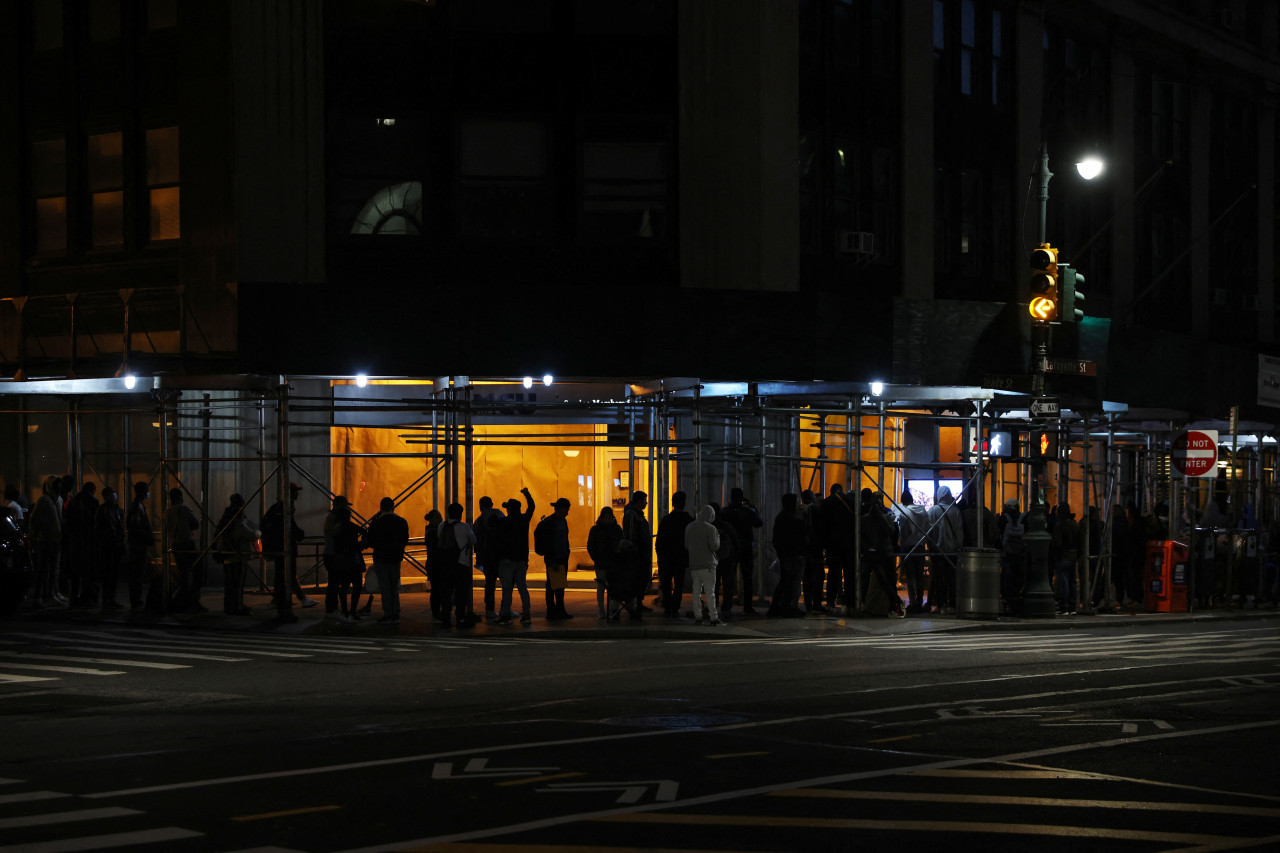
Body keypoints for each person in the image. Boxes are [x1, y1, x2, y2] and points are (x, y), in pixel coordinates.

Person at [262, 482, 316, 621]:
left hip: (280, 548)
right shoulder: (284, 508)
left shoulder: (279, 508)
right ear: (291, 493)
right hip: (285, 548)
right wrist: (298, 534)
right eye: (296, 491)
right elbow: (289, 526)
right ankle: (285, 607)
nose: (298, 494)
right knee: (286, 575)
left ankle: (285, 601)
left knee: (285, 575)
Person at [859, 489, 903, 617]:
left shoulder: (880, 516)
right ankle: (894, 603)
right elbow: (891, 532)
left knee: (879, 579)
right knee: (886, 580)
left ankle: (888, 604)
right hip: (882, 552)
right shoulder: (882, 516)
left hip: (876, 553)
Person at [365, 496, 409, 624]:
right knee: (394, 586)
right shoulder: (401, 522)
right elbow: (404, 539)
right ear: (393, 507)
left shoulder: (376, 523)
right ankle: (396, 613)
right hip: (395, 558)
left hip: (381, 558)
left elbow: (371, 541)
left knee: (385, 587)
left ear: (381, 508)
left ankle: (388, 614)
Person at [721, 488, 764, 616]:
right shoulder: (747, 511)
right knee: (747, 579)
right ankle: (748, 607)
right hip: (745, 548)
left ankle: (726, 607)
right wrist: (752, 506)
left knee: (729, 579)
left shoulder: (725, 512)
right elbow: (759, 522)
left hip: (731, 548)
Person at [215, 494, 258, 616]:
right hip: (237, 555)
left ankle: (229, 606)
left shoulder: (226, 517)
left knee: (230, 583)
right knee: (237, 583)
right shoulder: (238, 520)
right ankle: (236, 606)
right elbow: (251, 534)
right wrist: (257, 531)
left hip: (227, 555)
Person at [497, 488, 535, 625]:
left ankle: (505, 615)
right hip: (521, 560)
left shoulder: (505, 522)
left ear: (509, 509)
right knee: (522, 588)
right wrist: (526, 494)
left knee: (507, 589)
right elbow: (532, 506)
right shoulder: (524, 520)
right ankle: (527, 614)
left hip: (507, 560)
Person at [439, 502, 479, 628]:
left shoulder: (441, 525)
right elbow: (474, 540)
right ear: (460, 514)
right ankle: (460, 618)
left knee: (446, 592)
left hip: (445, 564)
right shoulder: (464, 526)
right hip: (461, 564)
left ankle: (446, 618)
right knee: (461, 593)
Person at [654, 491, 693, 618]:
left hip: (666, 557)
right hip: (681, 557)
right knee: (679, 583)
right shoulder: (688, 520)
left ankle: (667, 607)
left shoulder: (666, 520)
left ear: (672, 503)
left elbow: (659, 541)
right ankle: (675, 607)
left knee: (666, 584)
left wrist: (660, 555)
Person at [768, 492, 807, 617]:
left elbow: (776, 539)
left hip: (785, 554)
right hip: (793, 555)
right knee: (790, 582)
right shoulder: (794, 519)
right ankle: (787, 607)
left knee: (785, 581)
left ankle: (777, 607)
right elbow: (803, 535)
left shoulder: (781, 517)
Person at [164, 488, 203, 612]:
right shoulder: (184, 509)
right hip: (187, 543)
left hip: (175, 545)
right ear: (180, 497)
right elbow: (196, 524)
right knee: (197, 572)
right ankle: (193, 601)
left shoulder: (167, 512)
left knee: (183, 574)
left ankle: (182, 601)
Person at [28, 475, 64, 607]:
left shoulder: (58, 499)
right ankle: (40, 596)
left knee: (54, 569)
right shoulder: (44, 500)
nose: (60, 487)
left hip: (56, 540)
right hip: (45, 540)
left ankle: (52, 593)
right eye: (57, 484)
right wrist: (35, 536)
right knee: (43, 569)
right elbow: (34, 520)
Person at [685, 504, 724, 625]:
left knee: (696, 592)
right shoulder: (710, 528)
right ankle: (713, 617)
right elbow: (714, 546)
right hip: (708, 565)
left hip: (694, 564)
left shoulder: (689, 527)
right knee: (710, 592)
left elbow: (686, 545)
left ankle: (698, 617)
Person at [926, 485, 962, 614]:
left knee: (938, 578)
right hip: (952, 551)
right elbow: (959, 533)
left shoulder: (933, 511)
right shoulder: (956, 511)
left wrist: (931, 547)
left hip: (938, 551)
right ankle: (952, 605)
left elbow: (929, 532)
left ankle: (940, 605)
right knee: (952, 578)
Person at [64, 482, 100, 606]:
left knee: (75, 571)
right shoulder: (94, 501)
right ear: (93, 489)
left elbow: (68, 520)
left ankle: (73, 597)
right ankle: (86, 597)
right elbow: (95, 522)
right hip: (88, 540)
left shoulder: (74, 500)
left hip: (75, 540)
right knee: (87, 571)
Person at [329, 504, 367, 622]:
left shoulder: (336, 528)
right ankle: (353, 610)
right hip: (353, 560)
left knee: (344, 587)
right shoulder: (351, 527)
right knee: (357, 587)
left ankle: (345, 610)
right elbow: (364, 532)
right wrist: (361, 544)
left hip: (341, 561)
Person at [821, 484, 856, 611]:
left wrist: (825, 545)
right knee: (849, 574)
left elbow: (823, 526)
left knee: (833, 574)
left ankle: (830, 602)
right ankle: (848, 603)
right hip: (850, 544)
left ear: (831, 491)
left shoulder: (827, 503)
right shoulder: (851, 501)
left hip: (833, 545)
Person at [896, 489, 930, 614]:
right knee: (920, 576)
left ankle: (913, 602)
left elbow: (904, 532)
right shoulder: (923, 511)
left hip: (908, 547)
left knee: (911, 577)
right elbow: (928, 527)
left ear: (903, 502)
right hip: (921, 546)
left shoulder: (904, 512)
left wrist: (902, 542)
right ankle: (920, 601)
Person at [94, 486, 127, 611]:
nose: (113, 496)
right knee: (108, 575)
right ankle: (107, 599)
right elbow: (99, 528)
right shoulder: (103, 510)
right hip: (108, 546)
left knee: (113, 574)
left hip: (115, 545)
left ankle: (110, 599)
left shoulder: (116, 509)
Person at [587, 507, 622, 621]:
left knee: (613, 587)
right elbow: (591, 546)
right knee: (601, 587)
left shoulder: (617, 529)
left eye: (609, 517)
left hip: (613, 563)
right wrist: (596, 558)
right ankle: (601, 610)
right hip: (601, 562)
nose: (607, 519)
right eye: (605, 517)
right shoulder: (596, 529)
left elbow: (621, 544)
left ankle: (613, 609)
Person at [474, 496, 506, 621]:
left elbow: (475, 540)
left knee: (489, 584)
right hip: (501, 555)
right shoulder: (499, 514)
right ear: (492, 504)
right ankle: (505, 608)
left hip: (487, 557)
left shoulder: (478, 521)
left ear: (480, 506)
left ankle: (490, 609)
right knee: (506, 583)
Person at [621, 491, 652, 614]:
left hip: (641, 554)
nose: (646, 503)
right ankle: (634, 605)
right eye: (644, 500)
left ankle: (638, 603)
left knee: (641, 581)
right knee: (636, 580)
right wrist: (634, 550)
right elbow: (630, 535)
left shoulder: (638, 515)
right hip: (636, 555)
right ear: (639, 501)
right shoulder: (632, 515)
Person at [708, 501, 739, 619]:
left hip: (712, 561)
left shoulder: (706, 526)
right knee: (727, 586)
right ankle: (726, 609)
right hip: (727, 560)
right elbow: (735, 543)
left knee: (712, 586)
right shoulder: (725, 525)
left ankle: (713, 607)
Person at [126, 481, 154, 612]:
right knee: (137, 573)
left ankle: (136, 599)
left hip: (138, 544)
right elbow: (135, 527)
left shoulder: (139, 506)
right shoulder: (137, 507)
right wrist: (147, 537)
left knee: (138, 573)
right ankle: (135, 600)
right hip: (138, 546)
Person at [545, 497, 574, 620]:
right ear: (561, 509)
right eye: (567, 509)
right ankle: (552, 611)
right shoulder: (552, 522)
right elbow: (549, 543)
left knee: (559, 586)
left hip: (562, 557)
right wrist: (552, 560)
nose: (567, 512)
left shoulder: (562, 521)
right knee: (553, 586)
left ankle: (559, 610)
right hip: (555, 558)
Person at [322, 495, 351, 616]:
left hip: (334, 553)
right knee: (333, 582)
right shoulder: (331, 517)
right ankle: (331, 608)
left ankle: (333, 607)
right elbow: (332, 532)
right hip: (331, 553)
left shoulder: (333, 517)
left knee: (335, 581)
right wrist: (342, 522)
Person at [800, 490, 827, 614]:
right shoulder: (816, 510)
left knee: (807, 578)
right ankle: (816, 603)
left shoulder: (800, 511)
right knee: (818, 577)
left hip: (805, 549)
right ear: (812, 498)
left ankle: (807, 604)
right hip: (816, 548)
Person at [1051, 501, 1082, 615]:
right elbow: (1079, 540)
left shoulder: (1059, 525)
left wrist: (1056, 553)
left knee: (1063, 583)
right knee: (1072, 582)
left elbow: (1058, 543)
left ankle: (1064, 606)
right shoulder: (1074, 524)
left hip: (1063, 556)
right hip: (1073, 556)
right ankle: (1072, 606)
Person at [998, 498, 1026, 615]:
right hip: (1020, 554)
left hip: (1007, 554)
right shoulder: (1024, 518)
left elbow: (998, 534)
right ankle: (1015, 601)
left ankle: (1008, 602)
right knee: (1018, 579)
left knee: (1007, 579)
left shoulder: (1003, 518)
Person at [424, 508, 447, 623]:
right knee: (437, 590)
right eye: (438, 518)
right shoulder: (433, 532)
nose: (440, 520)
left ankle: (437, 613)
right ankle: (436, 613)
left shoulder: (431, 531)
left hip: (433, 564)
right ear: (432, 519)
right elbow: (436, 549)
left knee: (437, 589)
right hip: (435, 564)